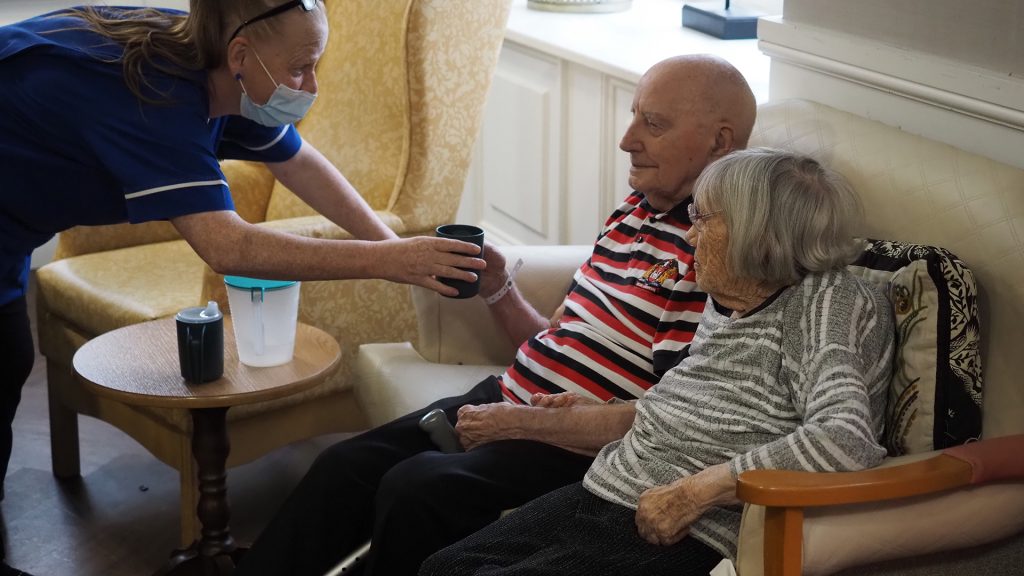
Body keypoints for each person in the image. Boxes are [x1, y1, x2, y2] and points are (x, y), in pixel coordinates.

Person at [0, 2, 483, 574]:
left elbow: (299, 163)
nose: (312, 85)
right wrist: (386, 261)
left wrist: (397, 248)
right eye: (301, 67)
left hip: (12, 224)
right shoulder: (156, 99)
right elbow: (228, 246)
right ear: (241, 55)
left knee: (7, 359)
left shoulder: (220, 70)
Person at [233, 54, 757, 576]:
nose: (627, 140)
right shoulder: (631, 212)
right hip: (509, 396)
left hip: (579, 445)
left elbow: (670, 420)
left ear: (720, 142)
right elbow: (554, 339)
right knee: (344, 466)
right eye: (634, 115)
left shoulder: (719, 251)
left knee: (418, 489)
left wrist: (530, 424)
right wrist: (499, 287)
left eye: (654, 124)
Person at [419, 147, 897, 576]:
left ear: (757, 231)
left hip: (692, 529)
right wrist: (597, 410)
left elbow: (844, 440)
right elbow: (704, 410)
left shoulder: (825, 302)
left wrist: (697, 493)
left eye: (704, 219)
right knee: (443, 566)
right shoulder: (731, 300)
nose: (689, 235)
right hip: (611, 486)